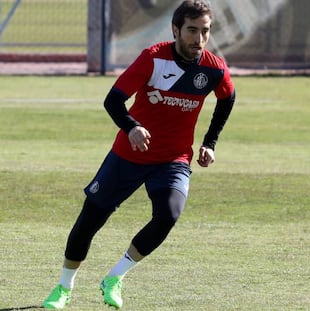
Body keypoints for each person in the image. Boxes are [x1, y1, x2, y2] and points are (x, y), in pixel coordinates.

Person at [43, 0, 235, 309]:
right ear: (176, 30)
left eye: (205, 31)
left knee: (169, 215)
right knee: (90, 219)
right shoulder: (153, 58)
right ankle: (64, 287)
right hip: (129, 155)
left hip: (173, 159)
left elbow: (228, 98)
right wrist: (131, 127)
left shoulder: (213, 68)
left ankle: (115, 277)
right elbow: (113, 100)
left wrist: (210, 142)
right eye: (191, 30)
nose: (198, 39)